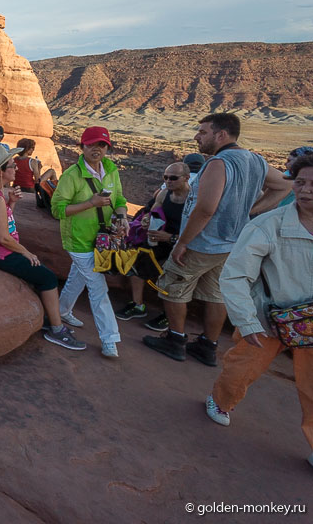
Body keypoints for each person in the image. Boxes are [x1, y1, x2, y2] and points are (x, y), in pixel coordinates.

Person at [143, 114, 292, 366]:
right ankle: (208, 346)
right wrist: (250, 211)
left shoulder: (218, 163)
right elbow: (284, 186)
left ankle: (175, 340)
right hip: (231, 244)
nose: (197, 137)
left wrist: (182, 242)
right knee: (216, 294)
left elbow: (205, 209)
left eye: (203, 132)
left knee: (173, 286)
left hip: (203, 242)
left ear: (221, 135)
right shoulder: (256, 160)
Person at [204, 153, 313, 468]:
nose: (305, 190)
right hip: (268, 318)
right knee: (241, 370)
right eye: (300, 182)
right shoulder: (269, 225)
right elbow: (236, 275)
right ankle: (221, 401)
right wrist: (247, 321)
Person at [0, 145, 86, 351]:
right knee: (48, 278)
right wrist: (25, 251)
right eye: (12, 166)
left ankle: (48, 317)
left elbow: (1, 220)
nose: (16, 168)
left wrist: (12, 203)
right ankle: (56, 330)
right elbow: (3, 238)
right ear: (0, 172)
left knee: (37, 270)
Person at [51, 126, 128, 358]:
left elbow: (119, 199)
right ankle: (109, 339)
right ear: (81, 147)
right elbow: (57, 209)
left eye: (102, 145)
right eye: (91, 144)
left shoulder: (111, 170)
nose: (97, 149)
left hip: (102, 239)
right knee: (98, 288)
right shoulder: (72, 175)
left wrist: (122, 216)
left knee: (78, 277)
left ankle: (61, 311)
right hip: (78, 240)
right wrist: (90, 204)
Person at [114, 162, 191, 332]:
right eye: (165, 177)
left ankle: (168, 316)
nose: (168, 181)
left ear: (187, 178)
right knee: (137, 262)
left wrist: (171, 238)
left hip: (182, 245)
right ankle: (137, 305)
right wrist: (146, 220)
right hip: (158, 240)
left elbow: (199, 232)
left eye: (173, 178)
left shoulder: (194, 200)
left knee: (173, 276)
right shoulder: (164, 194)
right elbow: (152, 212)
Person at [12, 138, 57, 206]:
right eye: (32, 148)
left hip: (16, 186)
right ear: (28, 149)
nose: (33, 150)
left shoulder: (14, 160)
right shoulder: (32, 161)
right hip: (30, 188)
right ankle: (54, 194)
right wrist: (39, 168)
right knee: (51, 171)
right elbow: (37, 180)